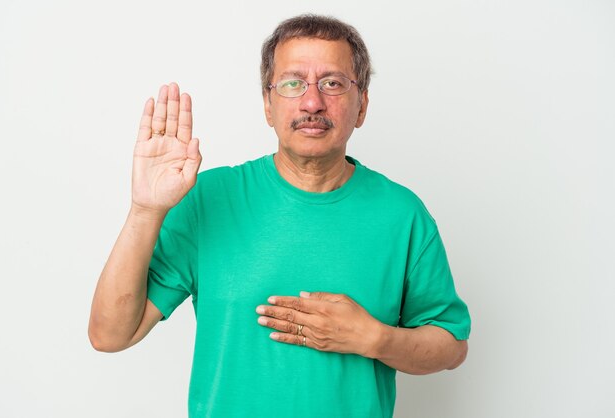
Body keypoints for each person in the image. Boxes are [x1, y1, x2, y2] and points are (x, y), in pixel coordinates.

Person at [89, 14, 471, 418]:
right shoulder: (208, 200)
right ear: (268, 106)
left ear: (362, 107)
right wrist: (146, 210)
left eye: (333, 83)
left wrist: (374, 338)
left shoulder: (402, 214)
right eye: (292, 83)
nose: (312, 102)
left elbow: (451, 347)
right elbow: (110, 334)